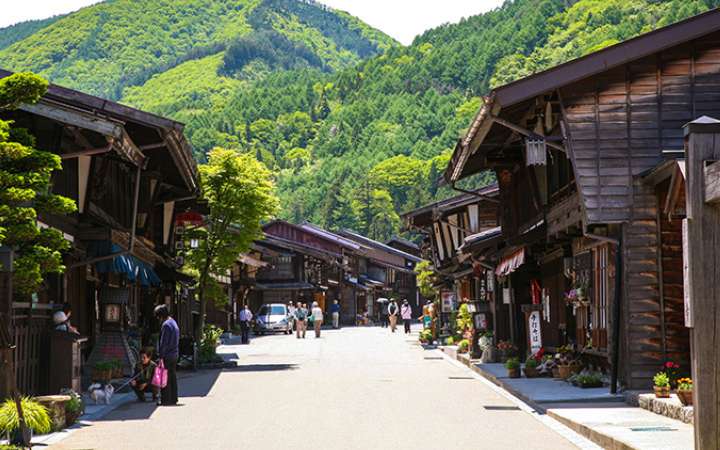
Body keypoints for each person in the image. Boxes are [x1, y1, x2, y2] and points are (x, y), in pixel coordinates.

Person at [155, 304, 179, 406]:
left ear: (161, 316)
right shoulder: (173, 322)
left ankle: (166, 400)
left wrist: (160, 356)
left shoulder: (166, 325)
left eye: (158, 316)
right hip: (174, 354)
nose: (158, 319)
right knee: (172, 377)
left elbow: (163, 343)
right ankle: (174, 398)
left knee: (164, 378)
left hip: (167, 355)